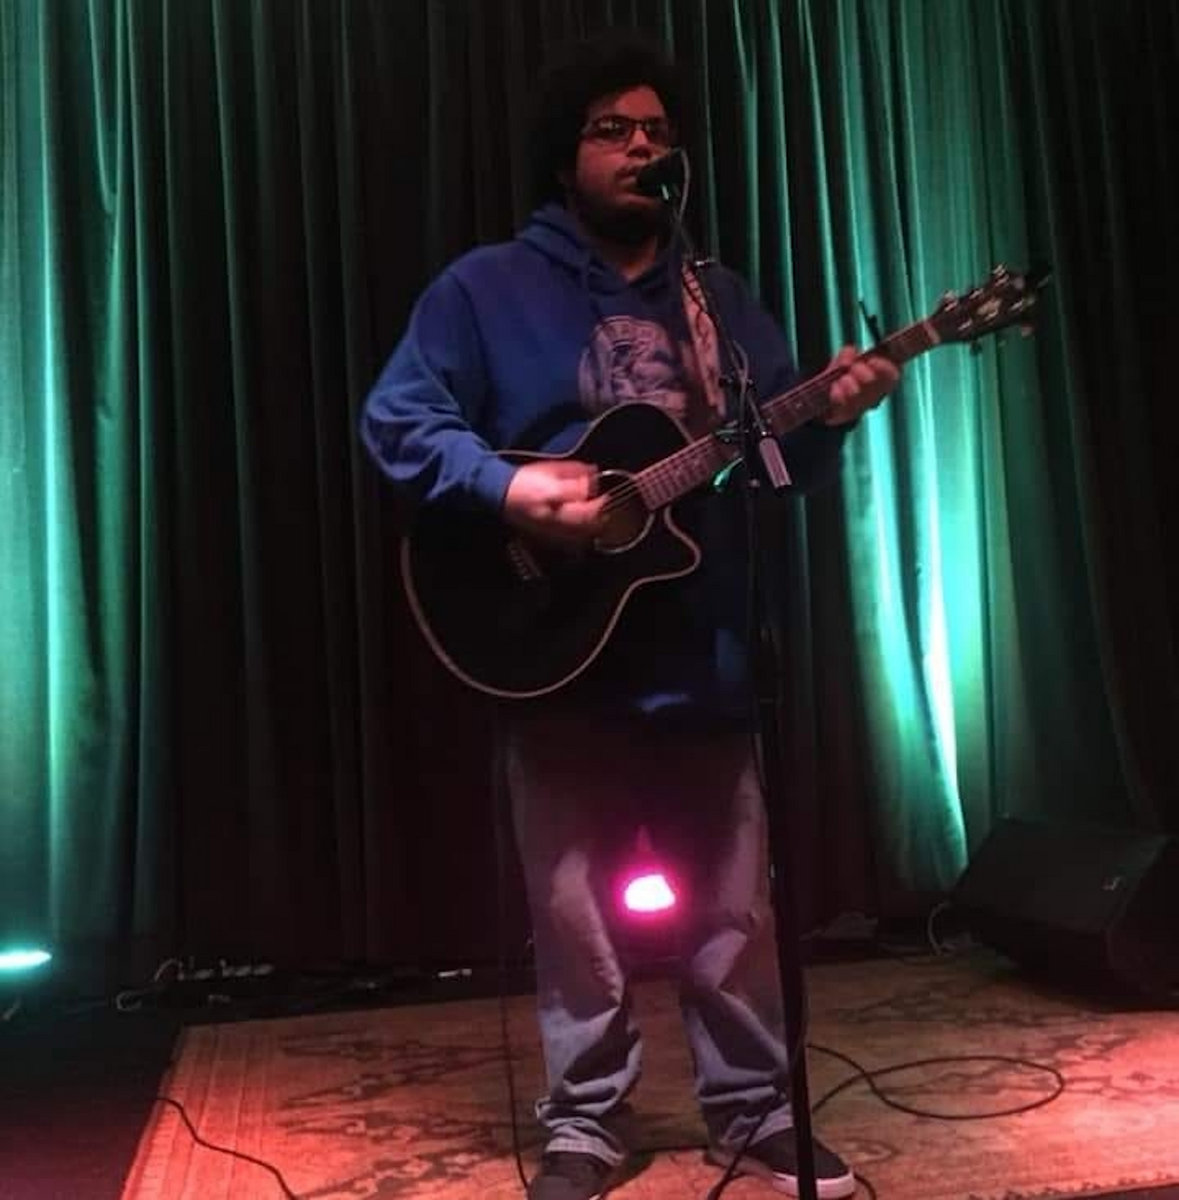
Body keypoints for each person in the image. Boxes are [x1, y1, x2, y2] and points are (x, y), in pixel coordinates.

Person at [361, 33, 898, 1200]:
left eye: (657, 130)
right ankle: (587, 1123)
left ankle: (756, 1110)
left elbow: (772, 469)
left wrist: (836, 413)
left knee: (733, 906)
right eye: (614, 128)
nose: (642, 146)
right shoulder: (485, 287)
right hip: (555, 649)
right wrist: (507, 488)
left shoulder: (721, 302)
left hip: (704, 644)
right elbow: (396, 418)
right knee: (573, 913)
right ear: (565, 157)